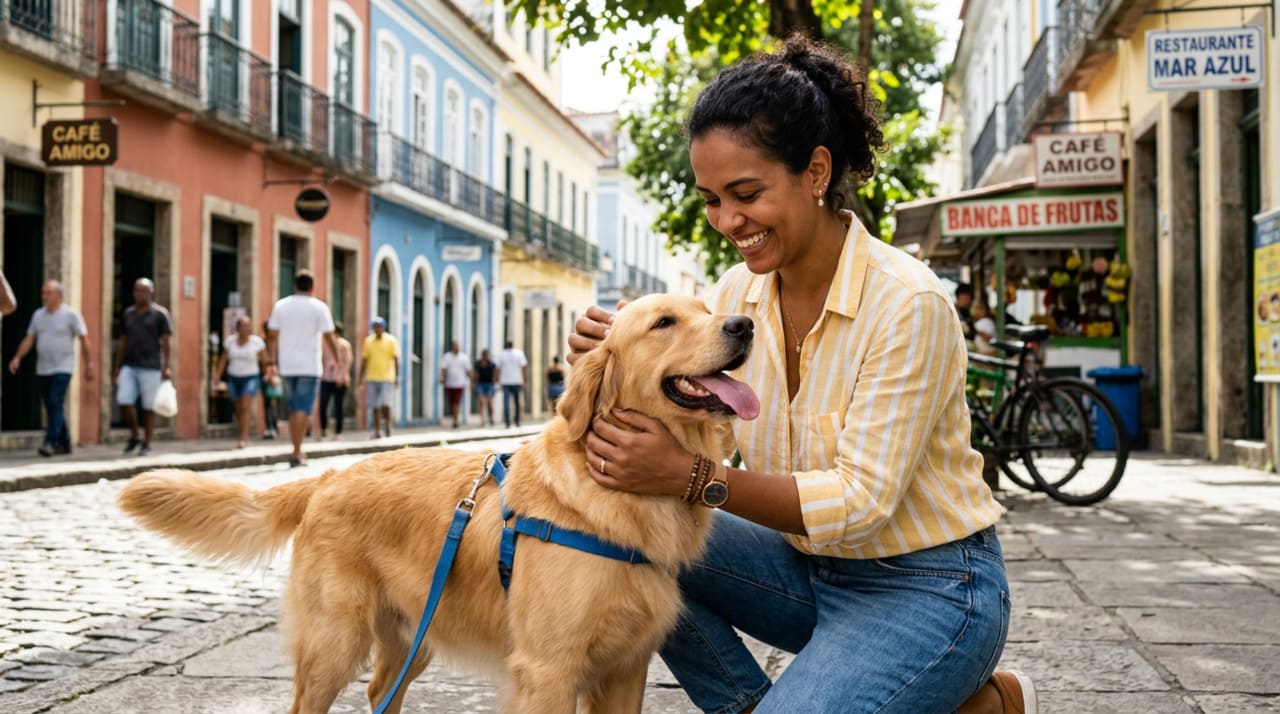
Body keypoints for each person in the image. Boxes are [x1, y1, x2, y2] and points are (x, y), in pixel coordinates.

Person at [567, 36, 1035, 714]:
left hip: (931, 588)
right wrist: (612, 353)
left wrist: (689, 477)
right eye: (711, 200)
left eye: (746, 193)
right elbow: (675, 406)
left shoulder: (909, 303)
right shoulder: (734, 295)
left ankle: (964, 693)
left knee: (673, 497)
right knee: (634, 532)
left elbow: (858, 503)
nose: (728, 221)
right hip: (805, 572)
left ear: (816, 172)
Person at [6, 280, 93, 456]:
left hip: (63, 367)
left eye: (48, 293)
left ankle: (49, 442)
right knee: (53, 405)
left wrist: (88, 364)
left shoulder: (71, 315)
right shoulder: (38, 315)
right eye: (43, 292)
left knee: (55, 401)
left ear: (59, 295)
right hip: (43, 368)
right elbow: (29, 339)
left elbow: (84, 340)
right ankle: (66, 442)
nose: (44, 296)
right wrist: (17, 357)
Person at [265, 270, 338, 467]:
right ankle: (297, 451)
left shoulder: (281, 306)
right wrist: (337, 359)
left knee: (292, 409)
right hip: (309, 367)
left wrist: (271, 362)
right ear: (312, 287)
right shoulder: (319, 307)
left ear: (295, 285)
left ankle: (296, 450)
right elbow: (330, 337)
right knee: (303, 409)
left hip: (287, 366)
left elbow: (271, 336)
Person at [113, 278, 172, 457]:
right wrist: (117, 365)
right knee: (124, 400)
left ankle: (147, 443)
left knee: (148, 407)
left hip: (151, 367)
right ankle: (135, 434)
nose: (141, 294)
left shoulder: (160, 314)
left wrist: (166, 367)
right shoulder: (128, 314)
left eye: (145, 290)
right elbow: (123, 341)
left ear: (151, 292)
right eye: (138, 290)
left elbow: (166, 343)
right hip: (129, 365)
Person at [214, 315, 265, 448]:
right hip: (234, 376)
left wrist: (269, 374)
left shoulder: (256, 342)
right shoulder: (230, 342)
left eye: (248, 326)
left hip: (251, 376)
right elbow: (223, 359)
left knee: (245, 405)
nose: (246, 329)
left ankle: (244, 437)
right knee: (237, 408)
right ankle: (242, 429)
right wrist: (217, 375)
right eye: (243, 326)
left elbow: (264, 360)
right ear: (237, 328)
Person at [360, 316, 399, 438]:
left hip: (386, 377)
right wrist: (360, 377)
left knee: (385, 403)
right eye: (375, 327)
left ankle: (387, 424)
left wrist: (397, 376)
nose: (377, 329)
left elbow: (396, 359)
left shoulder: (391, 340)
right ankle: (377, 430)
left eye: (379, 327)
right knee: (375, 405)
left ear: (383, 328)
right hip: (371, 377)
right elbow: (364, 360)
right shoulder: (368, 341)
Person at [319, 321, 353, 440]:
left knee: (339, 406)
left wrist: (342, 376)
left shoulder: (344, 345)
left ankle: (338, 432)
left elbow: (347, 362)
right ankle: (323, 429)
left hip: (340, 379)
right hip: (326, 377)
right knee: (323, 404)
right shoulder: (324, 344)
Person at [495, 340, 527, 428]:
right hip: (515, 381)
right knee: (515, 402)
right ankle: (514, 421)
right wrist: (524, 380)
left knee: (508, 403)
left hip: (507, 381)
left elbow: (497, 368)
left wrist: (497, 380)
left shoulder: (502, 354)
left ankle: (509, 422)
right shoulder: (519, 353)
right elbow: (524, 367)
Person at [439, 340, 470, 429]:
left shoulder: (464, 357)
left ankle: (455, 420)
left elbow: (468, 370)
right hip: (450, 383)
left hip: (460, 384)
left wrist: (471, 381)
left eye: (457, 346)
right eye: (454, 346)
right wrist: (442, 378)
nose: (456, 347)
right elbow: (443, 368)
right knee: (451, 403)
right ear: (452, 347)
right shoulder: (447, 356)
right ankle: (454, 418)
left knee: (456, 402)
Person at [259, 319, 280, 440]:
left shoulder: (276, 343)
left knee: (271, 403)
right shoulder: (262, 342)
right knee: (269, 403)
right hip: (265, 376)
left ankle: (272, 427)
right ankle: (271, 427)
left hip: (273, 376)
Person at [473, 348, 497, 426]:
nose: (485, 357)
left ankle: (491, 417)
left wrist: (495, 383)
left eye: (486, 355)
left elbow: (494, 375)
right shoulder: (478, 363)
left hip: (489, 384)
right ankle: (482, 420)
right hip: (480, 384)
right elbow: (476, 375)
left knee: (489, 402)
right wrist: (473, 384)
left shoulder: (492, 364)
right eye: (484, 355)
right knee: (481, 401)